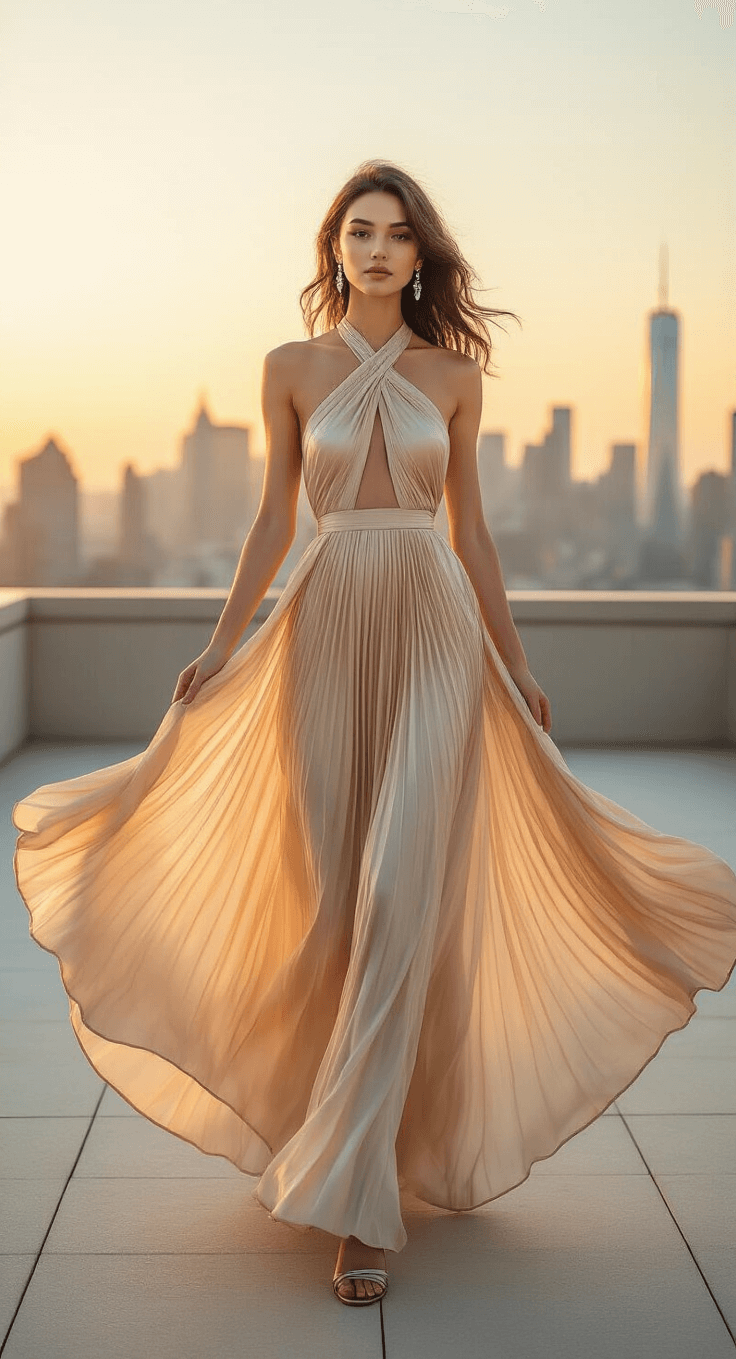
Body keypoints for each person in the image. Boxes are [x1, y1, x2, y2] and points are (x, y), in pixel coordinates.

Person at [13, 159, 736, 1310]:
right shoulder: (290, 369)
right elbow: (270, 520)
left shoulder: (454, 375)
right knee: (336, 903)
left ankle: (361, 1208)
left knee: (403, 892)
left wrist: (515, 660)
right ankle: (350, 1129)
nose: (380, 248)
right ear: (334, 246)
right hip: (322, 627)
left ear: (420, 251)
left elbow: (474, 534)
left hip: (435, 628)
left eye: (398, 232)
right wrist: (222, 642)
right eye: (360, 230)